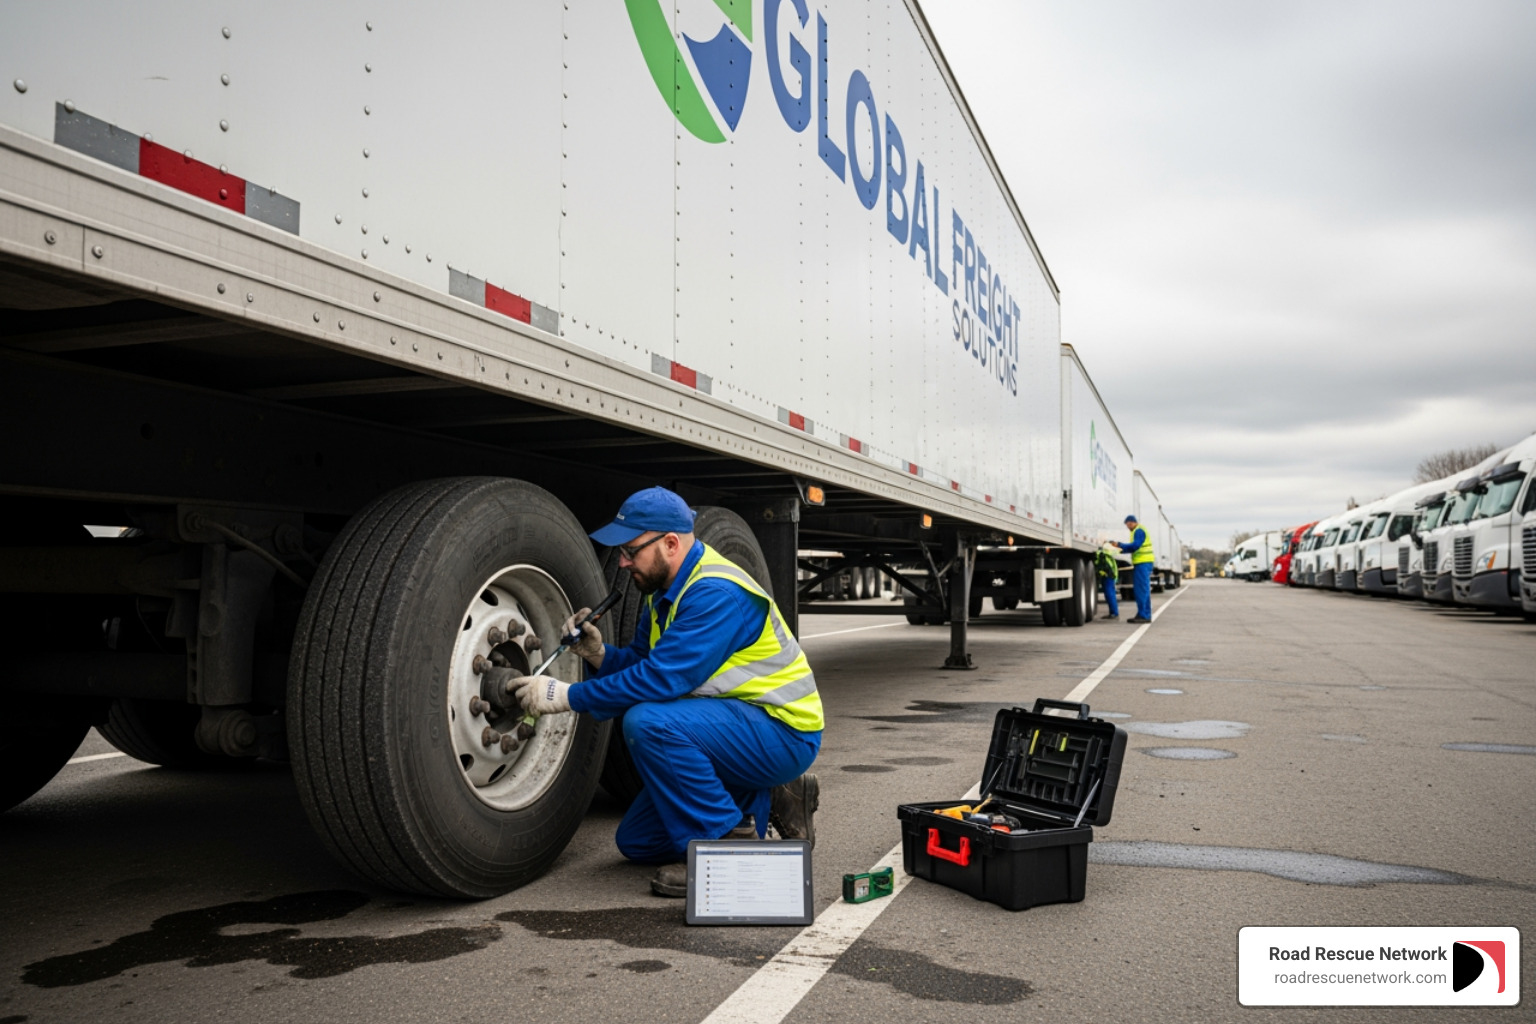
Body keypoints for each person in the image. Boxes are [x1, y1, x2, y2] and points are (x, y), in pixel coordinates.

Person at [509, 487, 823, 898]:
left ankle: (730, 846)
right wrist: (599, 653)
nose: (622, 563)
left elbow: (660, 682)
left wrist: (566, 697)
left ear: (670, 543)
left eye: (630, 550)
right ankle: (765, 794)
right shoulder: (665, 593)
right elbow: (644, 664)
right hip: (736, 730)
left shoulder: (715, 594)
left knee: (648, 721)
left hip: (782, 732)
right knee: (637, 843)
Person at [1118, 514, 1154, 623]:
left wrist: (1120, 545)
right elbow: (1133, 548)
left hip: (1143, 563)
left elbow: (1135, 546)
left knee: (1141, 590)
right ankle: (1143, 614)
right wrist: (1120, 549)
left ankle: (1144, 615)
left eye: (1128, 525)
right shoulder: (1137, 530)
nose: (1128, 527)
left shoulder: (1138, 531)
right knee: (1143, 590)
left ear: (1132, 522)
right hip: (1143, 563)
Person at [1095, 544, 1121, 620]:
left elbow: (1102, 567)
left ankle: (1114, 613)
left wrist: (1099, 573)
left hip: (1107, 576)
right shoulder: (1108, 556)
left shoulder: (1102, 555)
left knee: (1109, 594)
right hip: (1110, 576)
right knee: (1110, 594)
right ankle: (1113, 612)